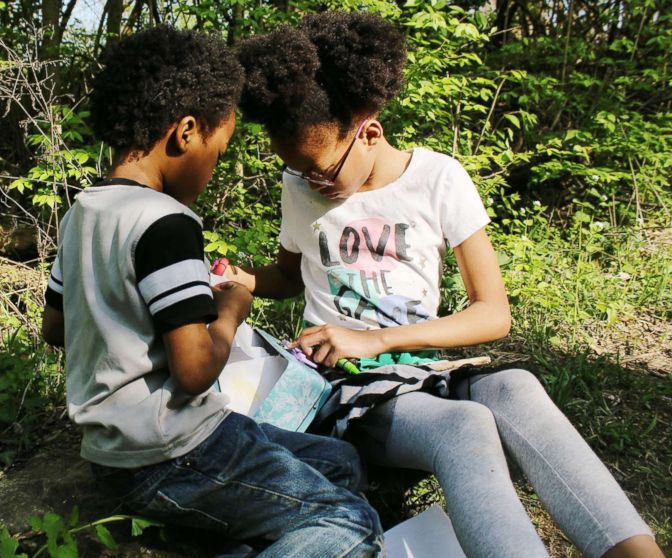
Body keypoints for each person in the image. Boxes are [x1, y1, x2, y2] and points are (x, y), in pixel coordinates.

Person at [225, 11, 663, 558]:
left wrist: (377, 339)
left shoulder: (438, 179)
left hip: (423, 368)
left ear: (369, 132)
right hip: (347, 386)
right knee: (465, 426)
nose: (312, 181)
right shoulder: (301, 187)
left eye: (321, 169)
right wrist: (244, 278)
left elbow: (492, 314)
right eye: (298, 171)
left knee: (516, 389)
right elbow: (289, 276)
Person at [40, 26, 382, 557]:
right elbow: (196, 370)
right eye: (218, 152)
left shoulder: (84, 212)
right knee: (351, 521)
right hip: (174, 450)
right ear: (186, 132)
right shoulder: (169, 224)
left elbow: (55, 329)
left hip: (113, 454)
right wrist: (230, 311)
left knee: (341, 463)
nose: (214, 168)